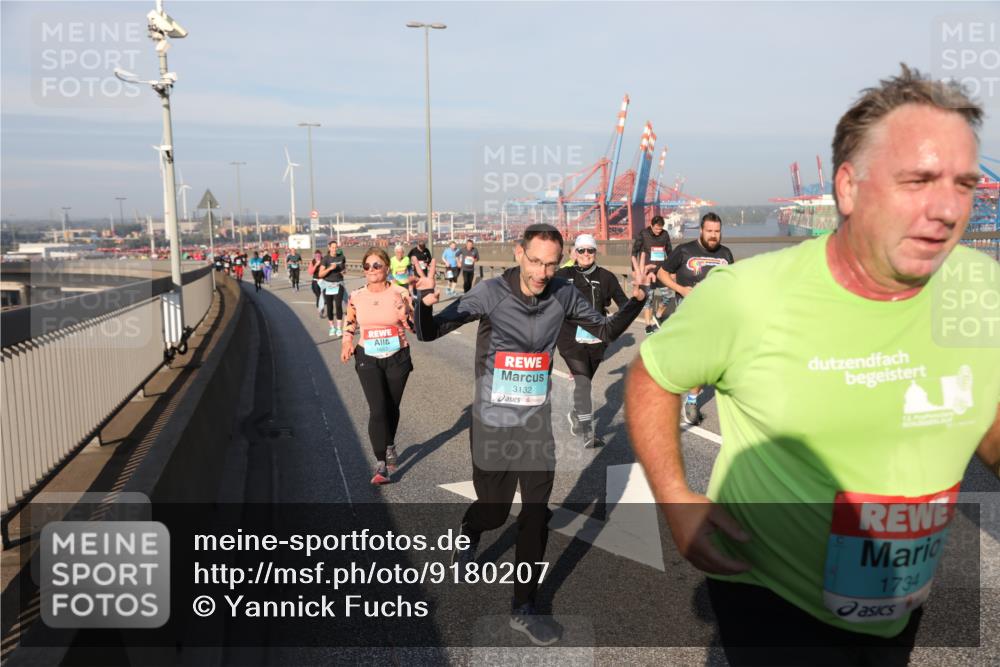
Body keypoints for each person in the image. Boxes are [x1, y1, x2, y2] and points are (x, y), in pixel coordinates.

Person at [625, 65, 1000, 666]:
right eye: (917, 181)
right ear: (848, 188)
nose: (946, 209)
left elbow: (986, 405)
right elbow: (653, 375)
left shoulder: (982, 288)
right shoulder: (749, 296)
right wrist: (673, 495)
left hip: (897, 594)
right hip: (770, 594)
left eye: (964, 184)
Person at [415, 223, 650, 646]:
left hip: (535, 423)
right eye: (536, 262)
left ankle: (524, 606)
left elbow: (606, 330)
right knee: (494, 511)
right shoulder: (490, 293)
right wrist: (423, 302)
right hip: (492, 422)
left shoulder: (563, 293)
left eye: (551, 264)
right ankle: (470, 529)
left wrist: (637, 299)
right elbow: (429, 332)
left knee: (536, 513)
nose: (542, 272)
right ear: (519, 253)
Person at [341, 247, 415, 485]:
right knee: (378, 409)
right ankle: (381, 463)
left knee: (392, 407)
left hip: (397, 355)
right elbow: (350, 321)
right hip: (367, 356)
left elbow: (414, 327)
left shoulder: (400, 292)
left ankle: (389, 442)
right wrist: (346, 342)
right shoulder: (356, 296)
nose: (371, 270)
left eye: (376, 265)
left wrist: (405, 313)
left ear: (387, 267)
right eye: (367, 266)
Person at [655, 211, 735, 425]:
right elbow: (662, 273)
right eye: (709, 231)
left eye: (717, 231)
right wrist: (681, 289)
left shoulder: (726, 254)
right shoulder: (684, 250)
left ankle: (691, 400)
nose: (713, 235)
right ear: (701, 230)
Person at [555, 234, 629, 449]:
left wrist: (614, 325)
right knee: (583, 382)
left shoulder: (606, 277)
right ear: (574, 253)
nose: (586, 254)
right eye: (582, 250)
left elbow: (624, 305)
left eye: (590, 250)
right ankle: (588, 431)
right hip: (569, 337)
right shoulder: (562, 276)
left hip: (597, 338)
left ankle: (578, 413)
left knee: (585, 379)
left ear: (596, 252)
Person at [632, 215, 673, 333]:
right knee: (648, 299)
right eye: (656, 229)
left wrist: (672, 269)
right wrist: (635, 270)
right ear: (651, 225)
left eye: (660, 229)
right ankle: (648, 325)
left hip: (661, 271)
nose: (658, 231)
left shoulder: (665, 234)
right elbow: (635, 251)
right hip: (647, 271)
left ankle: (658, 315)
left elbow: (669, 251)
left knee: (668, 295)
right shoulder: (643, 234)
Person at [318, 240, 347, 337]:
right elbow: (320, 274)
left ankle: (339, 328)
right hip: (328, 285)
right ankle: (332, 327)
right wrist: (330, 268)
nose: (334, 249)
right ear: (329, 248)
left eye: (336, 247)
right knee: (330, 307)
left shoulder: (341, 257)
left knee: (338, 305)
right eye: (333, 247)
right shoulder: (325, 259)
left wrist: (343, 271)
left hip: (338, 284)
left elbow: (343, 268)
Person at [307, 250, 325, 318]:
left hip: (323, 281)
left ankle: (320, 310)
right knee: (318, 295)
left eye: (319, 256)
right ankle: (320, 308)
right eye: (316, 256)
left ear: (321, 255)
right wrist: (316, 265)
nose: (317, 257)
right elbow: (310, 272)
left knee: (320, 296)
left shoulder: (324, 261)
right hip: (315, 281)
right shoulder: (312, 262)